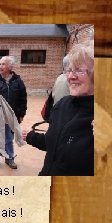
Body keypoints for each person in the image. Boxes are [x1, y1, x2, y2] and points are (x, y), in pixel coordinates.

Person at [24, 44, 94, 176]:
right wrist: (30, 136)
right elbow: (55, 144)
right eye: (69, 70)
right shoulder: (63, 104)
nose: (70, 77)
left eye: (79, 70)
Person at [0, 56, 27, 170]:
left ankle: (9, 158)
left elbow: (23, 99)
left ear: (10, 67)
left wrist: (20, 114)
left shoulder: (18, 81)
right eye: (0, 64)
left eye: (3, 64)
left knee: (8, 138)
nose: (0, 66)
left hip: (11, 116)